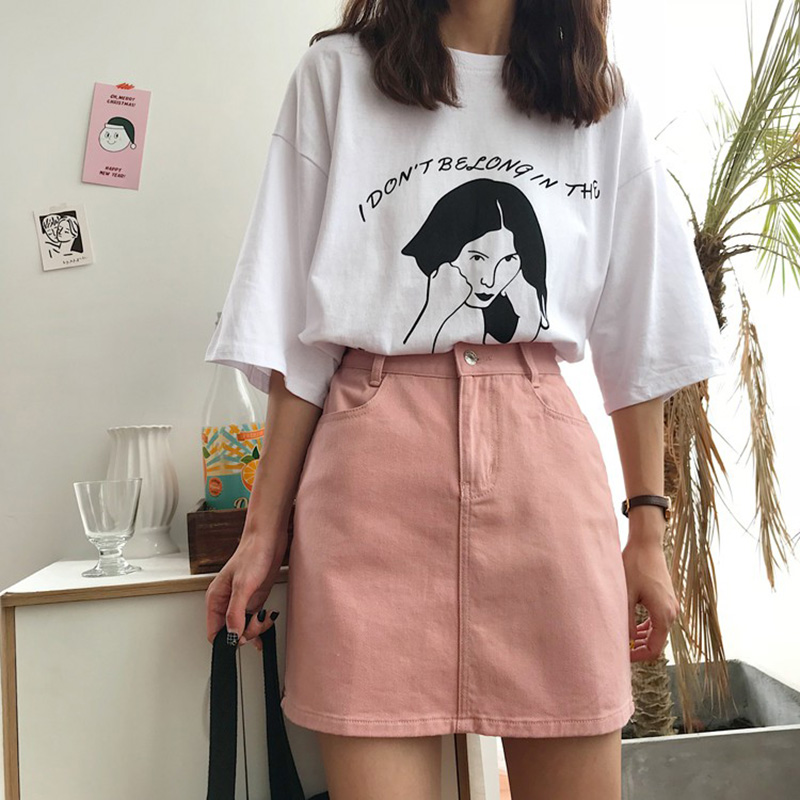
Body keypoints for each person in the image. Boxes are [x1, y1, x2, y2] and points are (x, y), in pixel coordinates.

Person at [203, 1, 728, 797]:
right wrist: (260, 530)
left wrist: (648, 532)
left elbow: (641, 333)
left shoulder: (597, 98)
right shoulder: (337, 77)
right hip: (371, 477)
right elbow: (296, 341)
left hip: (542, 474)